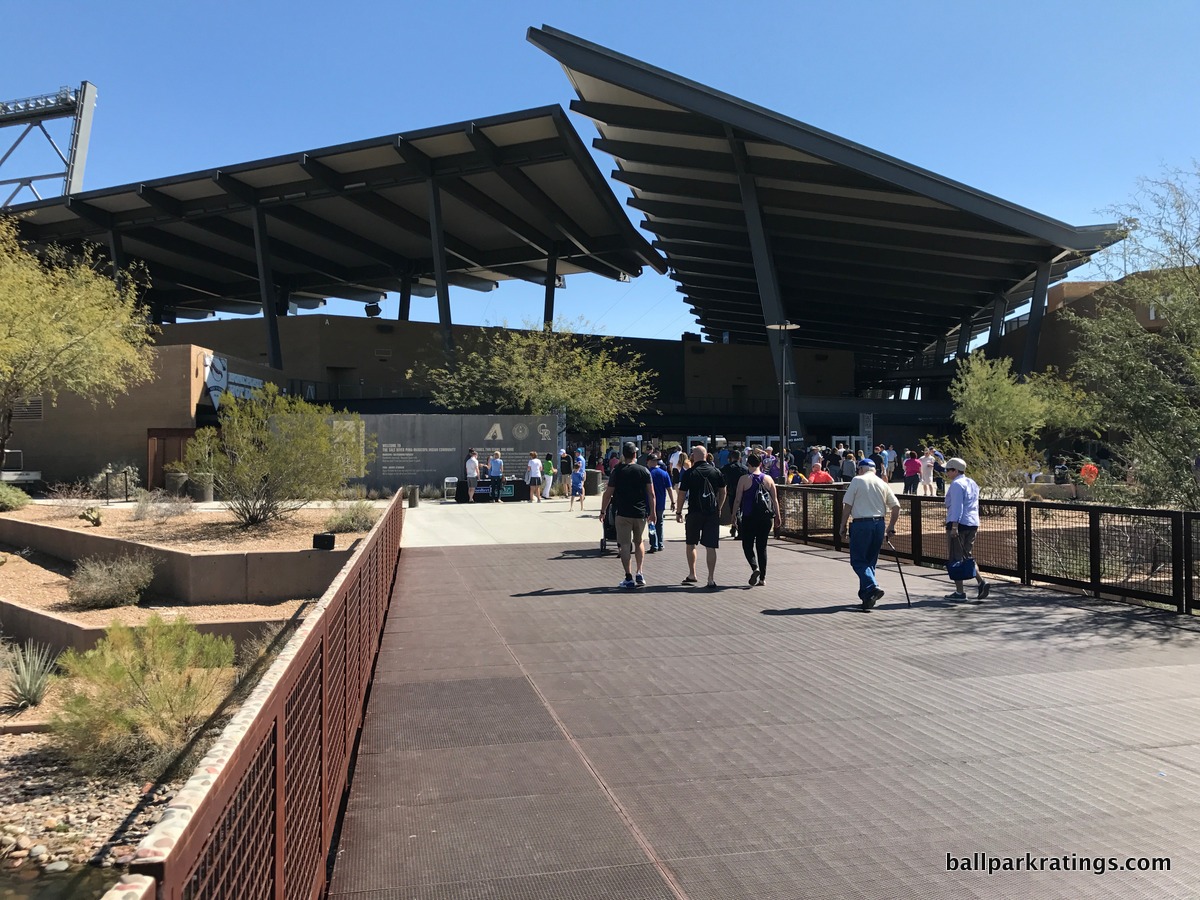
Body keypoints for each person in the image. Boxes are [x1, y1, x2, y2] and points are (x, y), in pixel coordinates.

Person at [839, 458, 901, 610]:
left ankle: (872, 586)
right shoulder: (882, 483)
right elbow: (896, 506)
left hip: (861, 524)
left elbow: (847, 505)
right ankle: (867, 597)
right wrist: (891, 526)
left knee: (858, 560)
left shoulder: (857, 480)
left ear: (861, 469)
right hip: (879, 524)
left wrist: (842, 525)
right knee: (870, 561)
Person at [599, 442, 656, 589]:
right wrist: (653, 512)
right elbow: (651, 494)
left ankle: (628, 577)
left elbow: (608, 494)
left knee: (625, 545)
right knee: (639, 542)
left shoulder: (617, 471)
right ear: (635, 455)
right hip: (640, 513)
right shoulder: (644, 471)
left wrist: (603, 511)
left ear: (623, 455)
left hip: (623, 513)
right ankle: (640, 573)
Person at [676, 444, 727, 588]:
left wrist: (679, 511)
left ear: (693, 456)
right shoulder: (716, 472)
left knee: (691, 543)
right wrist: (719, 507)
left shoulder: (689, 473)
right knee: (711, 546)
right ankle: (711, 578)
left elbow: (681, 494)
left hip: (694, 512)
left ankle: (692, 574)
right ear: (706, 455)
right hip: (711, 513)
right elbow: (723, 491)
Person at [732, 451, 782, 586]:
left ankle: (755, 568)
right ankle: (762, 578)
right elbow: (775, 500)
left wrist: (734, 516)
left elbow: (738, 500)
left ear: (748, 463)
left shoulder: (744, 479)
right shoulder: (769, 479)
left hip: (749, 516)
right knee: (762, 547)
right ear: (761, 464)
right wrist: (778, 515)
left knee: (747, 544)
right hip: (766, 517)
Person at [944, 457, 990, 600]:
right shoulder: (972, 482)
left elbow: (957, 506)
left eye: (948, 470)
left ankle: (960, 592)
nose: (947, 473)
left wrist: (954, 526)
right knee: (967, 556)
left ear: (955, 470)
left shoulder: (957, 484)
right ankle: (981, 582)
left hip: (959, 523)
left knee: (955, 557)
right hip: (972, 522)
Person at [648, 454, 675, 552]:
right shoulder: (664, 473)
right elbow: (669, 489)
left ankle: (653, 544)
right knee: (660, 524)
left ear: (649, 461)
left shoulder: (647, 473)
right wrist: (672, 501)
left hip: (649, 503)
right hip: (661, 503)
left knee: (651, 523)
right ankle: (660, 543)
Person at [720, 448, 749, 539]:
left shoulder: (727, 468)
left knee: (735, 511)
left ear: (730, 458)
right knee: (741, 511)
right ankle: (735, 528)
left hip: (732, 492)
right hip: (744, 492)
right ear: (740, 458)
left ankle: (738, 530)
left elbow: (721, 478)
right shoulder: (745, 468)